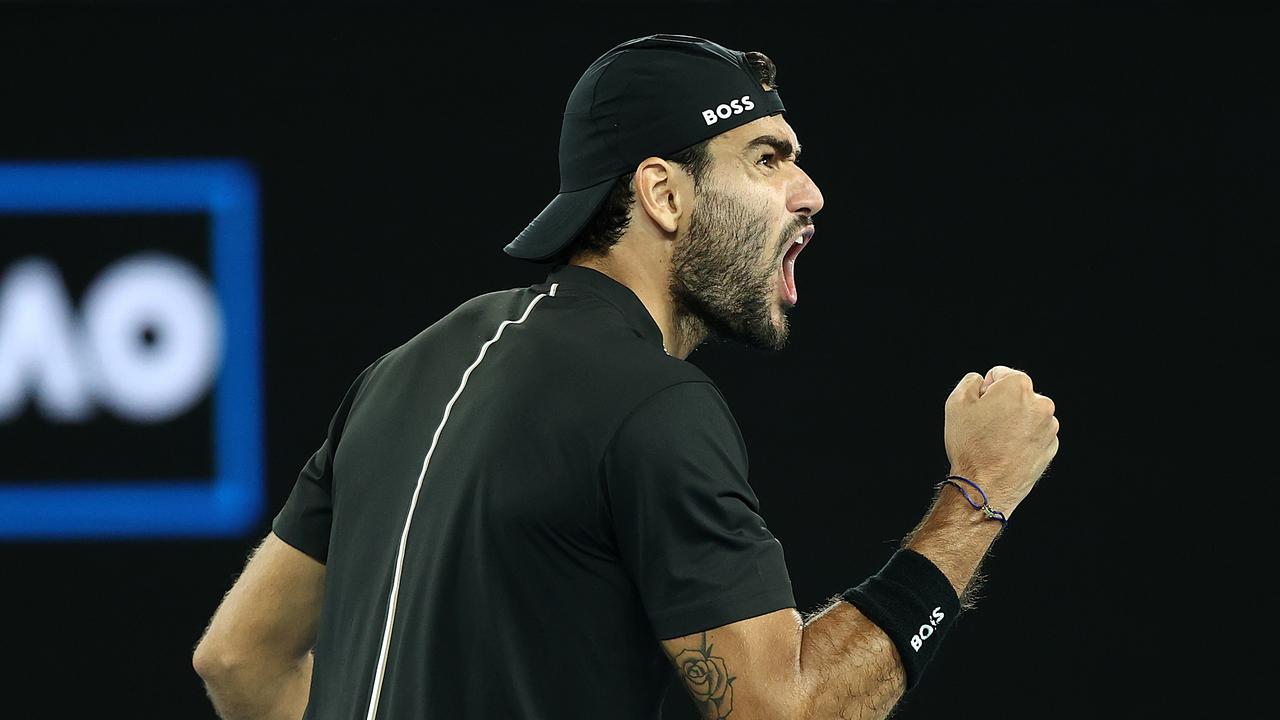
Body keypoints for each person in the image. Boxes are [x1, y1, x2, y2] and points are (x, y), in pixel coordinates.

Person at [193, 34, 1059, 720]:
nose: (810, 191)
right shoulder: (650, 403)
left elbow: (237, 659)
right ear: (664, 195)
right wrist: (975, 497)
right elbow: (780, 713)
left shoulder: (401, 369)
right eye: (766, 157)